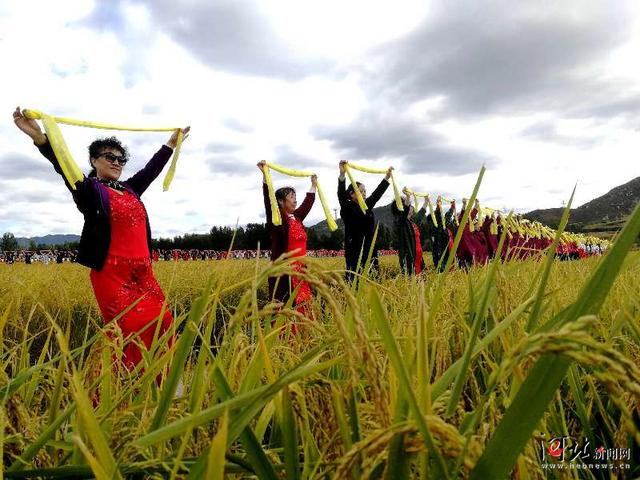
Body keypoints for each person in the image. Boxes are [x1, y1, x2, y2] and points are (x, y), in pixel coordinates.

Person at [13, 106, 189, 371]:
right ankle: (116, 391)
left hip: (144, 274)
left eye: (121, 159)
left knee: (164, 321)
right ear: (94, 160)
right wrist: (40, 138)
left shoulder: (131, 189)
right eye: (110, 157)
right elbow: (63, 165)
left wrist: (170, 145)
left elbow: (151, 170)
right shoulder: (89, 191)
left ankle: (159, 383)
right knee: (127, 328)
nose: (117, 162)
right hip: (112, 273)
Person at [258, 160, 316, 321]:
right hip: (284, 272)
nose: (295, 200)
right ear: (281, 202)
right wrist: (265, 177)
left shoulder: (296, 218)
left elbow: (307, 204)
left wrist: (313, 185)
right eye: (291, 197)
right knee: (286, 310)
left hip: (300, 272)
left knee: (303, 308)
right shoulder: (278, 221)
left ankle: (304, 340)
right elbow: (269, 204)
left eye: (295, 196)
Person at [337, 161, 393, 283]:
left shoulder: (366, 206)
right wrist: (342, 175)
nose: (364, 193)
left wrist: (387, 177)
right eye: (361, 191)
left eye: (364, 191)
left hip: (369, 247)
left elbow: (376, 194)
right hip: (355, 248)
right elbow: (341, 194)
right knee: (355, 279)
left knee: (372, 278)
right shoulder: (347, 206)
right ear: (352, 194)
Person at [392, 188, 427, 275]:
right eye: (408, 204)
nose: (411, 206)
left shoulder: (412, 222)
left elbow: (421, 214)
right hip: (410, 260)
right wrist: (407, 196)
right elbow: (404, 212)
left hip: (419, 259)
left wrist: (426, 201)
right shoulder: (401, 222)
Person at [427, 196, 451, 272]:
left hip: (445, 251)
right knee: (440, 268)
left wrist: (452, 208)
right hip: (439, 252)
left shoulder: (443, 226)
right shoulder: (435, 227)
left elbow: (447, 216)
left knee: (446, 267)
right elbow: (439, 214)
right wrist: (438, 204)